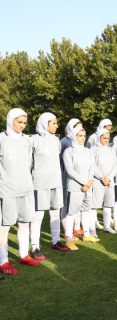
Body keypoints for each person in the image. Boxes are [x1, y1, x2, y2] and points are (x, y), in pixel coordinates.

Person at [0, 108, 37, 275]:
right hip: (7, 190)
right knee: (4, 226)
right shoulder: (2, 139)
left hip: (26, 189)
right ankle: (3, 261)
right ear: (10, 120)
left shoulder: (27, 140)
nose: (22, 125)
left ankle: (23, 255)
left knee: (25, 223)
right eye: (19, 122)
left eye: (24, 123)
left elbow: (29, 164)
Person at [30, 112, 69, 261]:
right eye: (54, 123)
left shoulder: (55, 140)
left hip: (55, 182)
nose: (56, 125)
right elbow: (29, 163)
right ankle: (35, 247)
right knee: (38, 215)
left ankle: (55, 241)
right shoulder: (34, 140)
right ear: (45, 124)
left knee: (55, 212)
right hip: (39, 183)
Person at [63, 127, 98, 250]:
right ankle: (68, 239)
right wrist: (84, 183)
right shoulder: (68, 151)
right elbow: (70, 171)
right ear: (73, 136)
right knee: (72, 212)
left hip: (88, 187)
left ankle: (87, 234)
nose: (83, 138)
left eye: (84, 135)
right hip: (75, 187)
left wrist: (88, 183)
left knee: (86, 210)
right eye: (79, 135)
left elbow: (92, 167)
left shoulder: (88, 151)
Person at [90, 128, 117, 234]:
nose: (106, 140)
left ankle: (107, 226)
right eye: (104, 138)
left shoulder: (111, 150)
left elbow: (115, 166)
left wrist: (109, 178)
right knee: (94, 206)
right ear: (99, 137)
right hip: (97, 182)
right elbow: (93, 166)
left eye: (108, 138)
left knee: (108, 204)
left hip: (109, 182)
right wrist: (102, 177)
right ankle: (92, 230)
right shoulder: (93, 149)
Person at [60, 118, 83, 238]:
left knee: (77, 203)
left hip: (80, 178)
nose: (79, 129)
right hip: (66, 176)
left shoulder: (80, 140)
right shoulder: (64, 142)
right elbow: (60, 161)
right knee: (65, 203)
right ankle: (66, 229)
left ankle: (77, 227)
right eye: (76, 127)